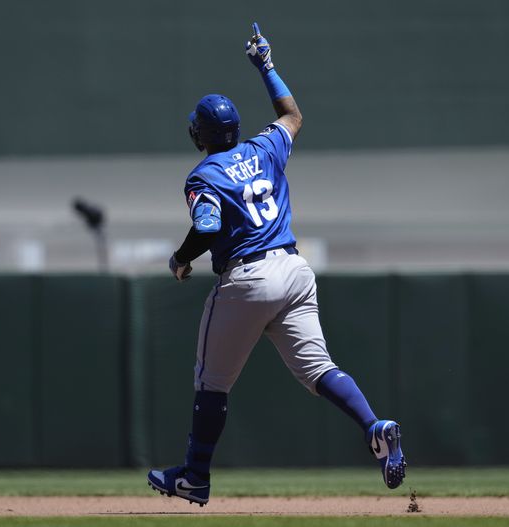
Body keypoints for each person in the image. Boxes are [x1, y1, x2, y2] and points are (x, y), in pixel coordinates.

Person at [147, 23, 406, 506]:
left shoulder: (204, 173)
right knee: (318, 369)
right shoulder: (263, 148)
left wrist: (180, 260)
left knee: (212, 382)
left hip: (248, 277)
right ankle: (375, 427)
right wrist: (266, 66)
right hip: (293, 269)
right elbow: (292, 114)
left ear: (199, 134)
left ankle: (194, 477)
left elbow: (205, 228)